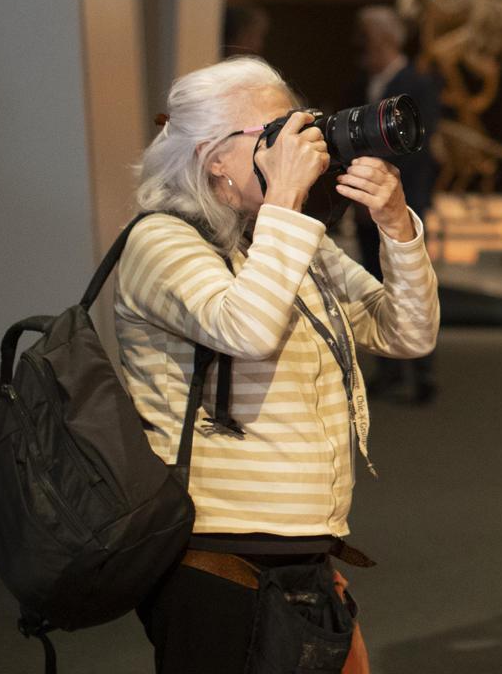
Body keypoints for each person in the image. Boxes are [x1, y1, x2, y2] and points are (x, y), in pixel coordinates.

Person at [117, 57, 440, 672]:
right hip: (214, 555)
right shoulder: (159, 241)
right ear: (213, 156)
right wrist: (288, 206)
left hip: (305, 549)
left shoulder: (286, 235)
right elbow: (247, 328)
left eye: (299, 128)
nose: (298, 148)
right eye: (273, 135)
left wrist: (396, 227)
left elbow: (408, 333)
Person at [349, 6, 442, 404]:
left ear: (386, 38)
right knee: (373, 280)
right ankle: (387, 368)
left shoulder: (418, 83)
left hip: (407, 202)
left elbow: (421, 146)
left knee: (413, 279)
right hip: (364, 202)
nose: (359, 43)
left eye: (365, 35)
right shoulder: (360, 81)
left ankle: (423, 372)